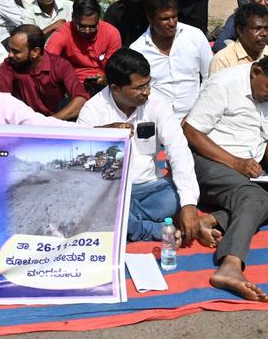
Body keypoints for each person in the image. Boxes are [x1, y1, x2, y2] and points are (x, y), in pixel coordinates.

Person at [182, 53, 268, 302]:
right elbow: (190, 131)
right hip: (207, 162)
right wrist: (235, 163)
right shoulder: (223, 85)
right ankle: (230, 265)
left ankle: (213, 220)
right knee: (253, 197)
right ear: (256, 71)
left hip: (247, 170)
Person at [78, 48, 211, 243]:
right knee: (90, 201)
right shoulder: (92, 111)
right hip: (110, 190)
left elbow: (178, 149)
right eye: (140, 87)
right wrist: (103, 135)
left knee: (178, 197)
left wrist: (189, 205)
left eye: (148, 84)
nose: (147, 92)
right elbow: (82, 164)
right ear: (115, 88)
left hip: (151, 188)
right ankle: (149, 229)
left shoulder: (157, 103)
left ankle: (123, 222)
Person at [130, 0, 212, 119]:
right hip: (155, 118)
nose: (172, 23)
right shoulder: (138, 50)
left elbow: (210, 77)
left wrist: (197, 113)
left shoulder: (195, 36)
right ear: (150, 19)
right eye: (165, 19)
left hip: (197, 115)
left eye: (174, 17)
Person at [0, 24, 88, 120]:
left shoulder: (59, 65)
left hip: (56, 123)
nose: (10, 55)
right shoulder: (8, 66)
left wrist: (51, 121)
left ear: (35, 52)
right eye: (10, 49)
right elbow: (2, 102)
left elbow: (81, 98)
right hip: (23, 123)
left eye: (16, 51)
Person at [46, 0, 122, 95]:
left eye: (92, 27)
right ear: (73, 17)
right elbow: (48, 61)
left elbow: (115, 68)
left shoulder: (111, 33)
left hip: (105, 85)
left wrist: (106, 78)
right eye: (82, 26)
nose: (87, 31)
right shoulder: (63, 33)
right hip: (71, 86)